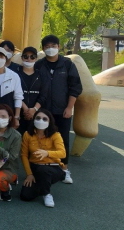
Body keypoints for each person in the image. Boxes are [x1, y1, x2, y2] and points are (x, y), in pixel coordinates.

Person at [35, 35, 82, 184]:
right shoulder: (39, 65)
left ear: (59, 47)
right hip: (43, 111)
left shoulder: (67, 64)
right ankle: (41, 168)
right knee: (41, 139)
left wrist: (69, 107)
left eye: (53, 46)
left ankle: (64, 169)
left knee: (62, 140)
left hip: (62, 110)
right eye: (47, 46)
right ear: (43, 49)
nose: (50, 49)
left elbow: (75, 87)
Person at [20, 109, 67, 208]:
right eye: (38, 118)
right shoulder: (27, 134)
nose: (41, 121)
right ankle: (42, 184)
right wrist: (29, 174)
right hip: (35, 167)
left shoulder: (55, 135)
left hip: (53, 167)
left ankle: (46, 194)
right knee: (25, 196)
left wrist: (47, 153)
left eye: (45, 119)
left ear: (50, 122)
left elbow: (63, 153)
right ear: (33, 119)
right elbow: (24, 155)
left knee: (44, 170)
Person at [18, 47, 50, 135]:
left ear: (36, 58)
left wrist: (34, 109)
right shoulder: (16, 74)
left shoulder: (41, 75)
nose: (29, 59)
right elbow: (15, 93)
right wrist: (25, 109)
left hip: (37, 114)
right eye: (26, 56)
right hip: (19, 113)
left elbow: (44, 95)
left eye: (32, 57)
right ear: (22, 58)